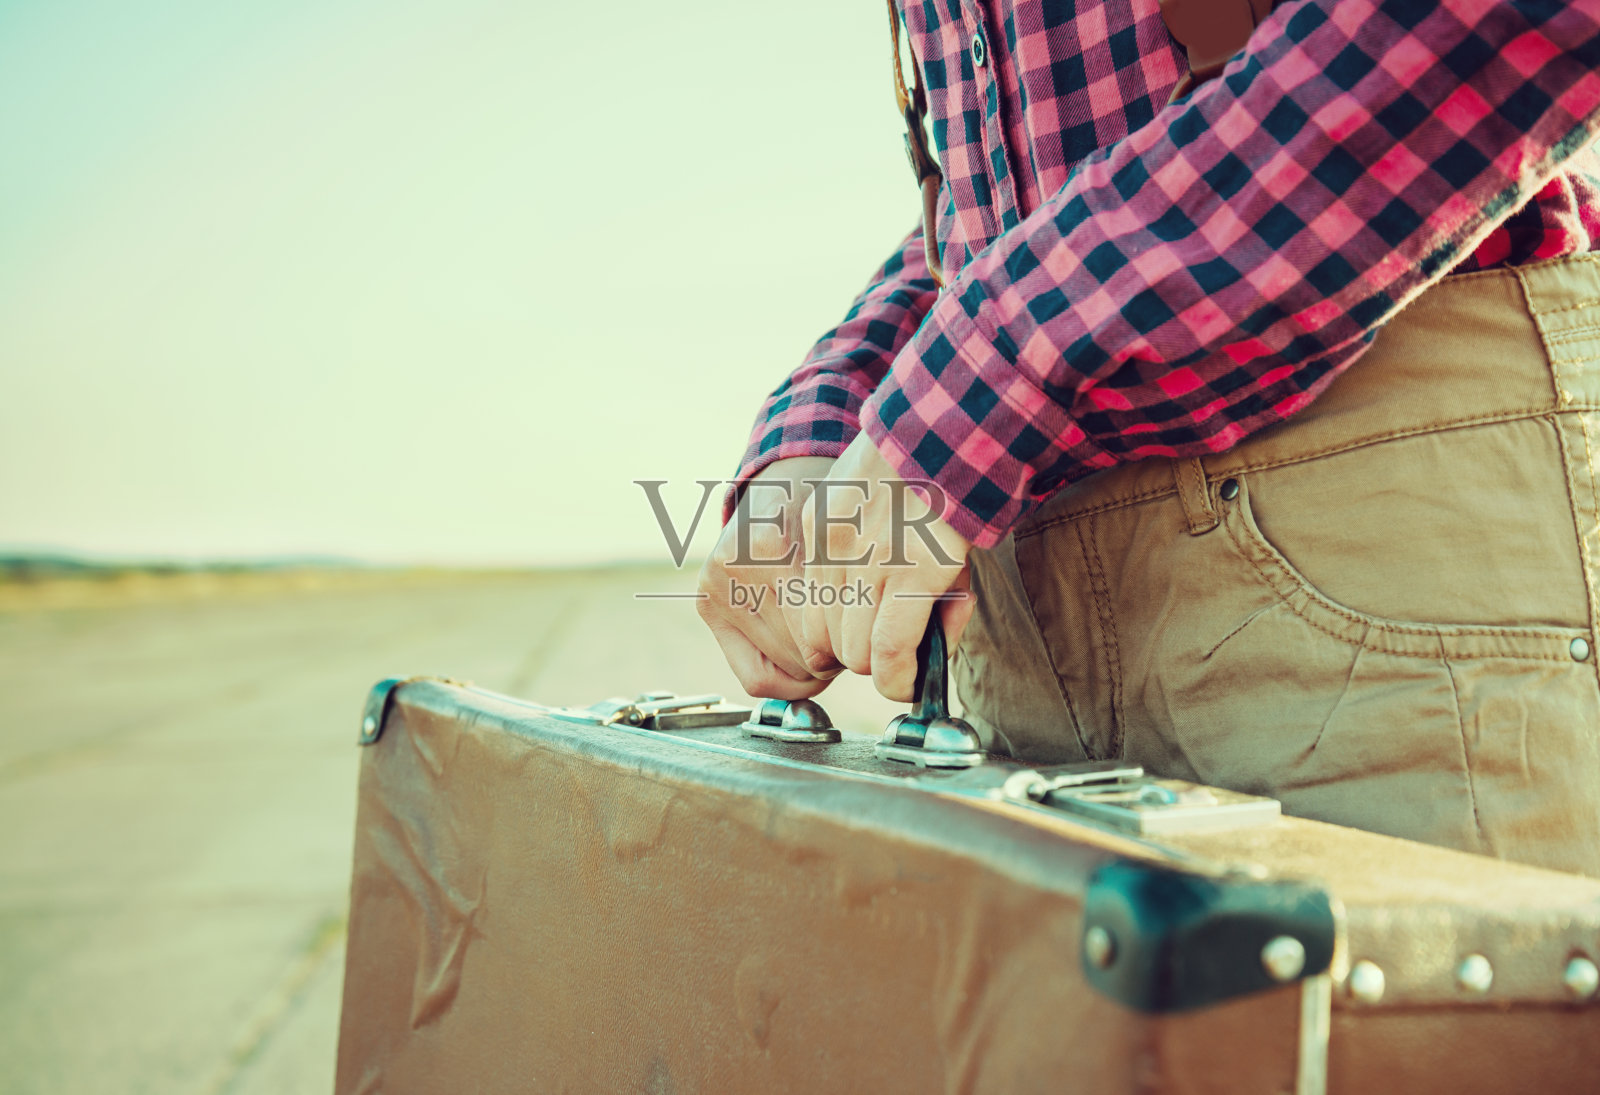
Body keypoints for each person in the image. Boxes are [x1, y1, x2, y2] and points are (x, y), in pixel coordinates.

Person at [697, 0, 1600, 878]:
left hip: (1382, 520)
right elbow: (1022, 197)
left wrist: (972, 388)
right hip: (1027, 620)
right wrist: (833, 417)